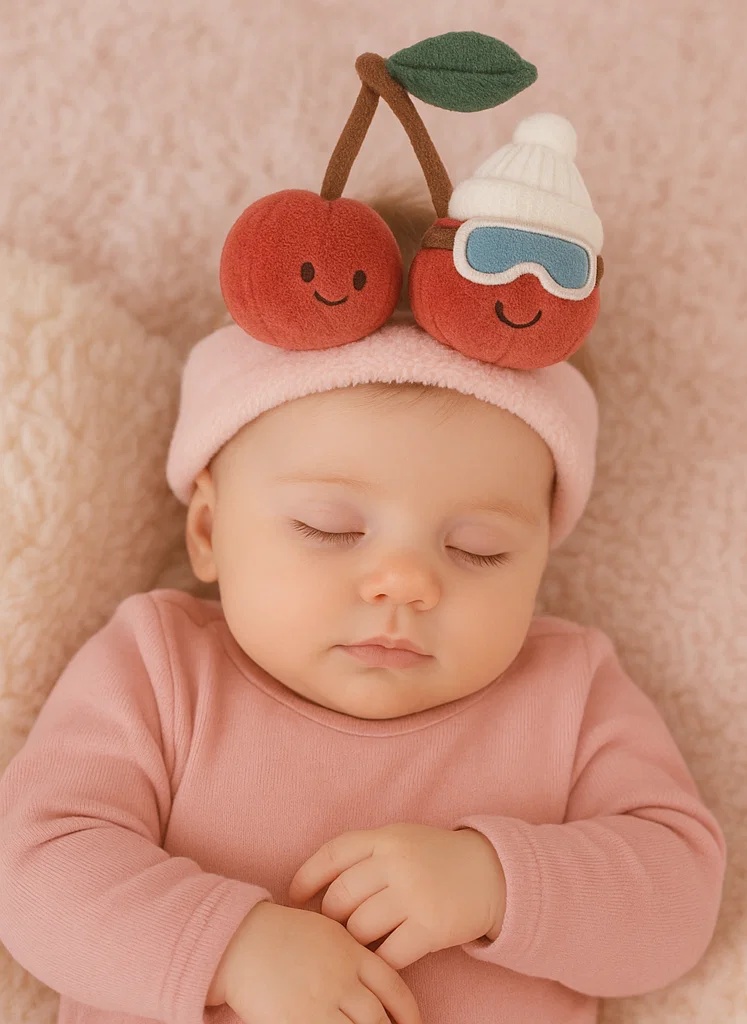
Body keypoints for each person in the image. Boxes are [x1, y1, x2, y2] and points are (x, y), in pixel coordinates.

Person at [0, 124, 726, 1024]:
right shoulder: (158, 668)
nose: (403, 583)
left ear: (543, 554)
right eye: (327, 528)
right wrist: (225, 950)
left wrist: (496, 882)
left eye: (477, 551)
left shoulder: (568, 693)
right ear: (208, 532)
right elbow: (34, 869)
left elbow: (676, 902)